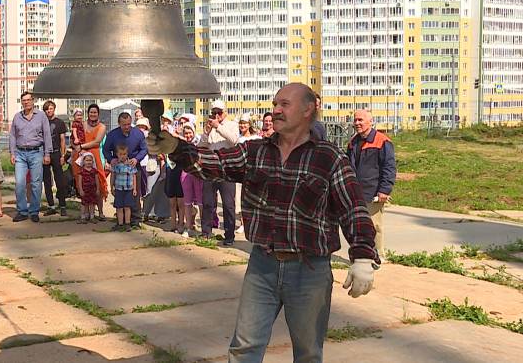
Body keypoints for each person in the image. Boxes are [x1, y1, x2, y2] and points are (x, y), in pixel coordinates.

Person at [148, 83, 379, 362]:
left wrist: (363, 256)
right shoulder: (256, 151)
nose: (276, 110)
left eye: (284, 104)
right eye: (275, 104)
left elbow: (353, 208)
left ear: (308, 109)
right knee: (244, 347)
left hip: (309, 271)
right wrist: (176, 147)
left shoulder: (329, 157)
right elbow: (213, 162)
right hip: (263, 266)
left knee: (308, 353)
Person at [348, 109, 396, 257]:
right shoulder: (353, 142)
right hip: (355, 193)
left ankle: (378, 256)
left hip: (373, 192)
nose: (357, 123)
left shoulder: (382, 141)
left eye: (360, 120)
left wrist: (384, 190)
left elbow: (389, 167)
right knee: (357, 226)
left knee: (374, 226)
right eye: (355, 120)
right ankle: (362, 255)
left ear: (370, 121)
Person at [198, 100, 239, 245]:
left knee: (228, 205)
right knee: (208, 202)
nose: (216, 115)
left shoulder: (232, 125)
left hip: (227, 170)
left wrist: (219, 127)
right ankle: (206, 232)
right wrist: (206, 132)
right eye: (213, 113)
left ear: (225, 113)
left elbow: (234, 140)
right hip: (211, 169)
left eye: (219, 112)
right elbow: (201, 146)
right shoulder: (209, 127)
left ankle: (229, 235)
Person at [9, 91, 52, 223]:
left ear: (33, 101)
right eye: (24, 100)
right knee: (20, 183)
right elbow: (12, 136)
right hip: (20, 153)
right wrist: (12, 152)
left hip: (36, 152)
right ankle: (22, 211)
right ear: (21, 102)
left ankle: (34, 211)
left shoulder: (41, 116)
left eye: (28, 100)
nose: (26, 102)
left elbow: (47, 134)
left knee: (36, 183)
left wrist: (47, 153)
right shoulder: (17, 117)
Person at [102, 112, 147, 227]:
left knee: (135, 195)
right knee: (120, 195)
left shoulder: (138, 134)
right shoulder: (113, 135)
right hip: (118, 169)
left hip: (133, 166)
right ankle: (121, 220)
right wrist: (111, 159)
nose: (127, 127)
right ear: (119, 124)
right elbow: (105, 150)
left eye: (128, 124)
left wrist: (137, 159)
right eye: (124, 125)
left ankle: (135, 220)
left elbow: (144, 149)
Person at [73, 104, 108, 220]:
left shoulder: (102, 127)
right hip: (81, 156)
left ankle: (101, 212)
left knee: (99, 182)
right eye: (91, 112)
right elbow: (74, 138)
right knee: (83, 182)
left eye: (95, 112)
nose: (93, 114)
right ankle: (87, 213)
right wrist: (77, 147)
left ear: (98, 114)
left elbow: (97, 142)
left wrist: (81, 146)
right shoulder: (82, 124)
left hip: (95, 155)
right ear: (87, 113)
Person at [42, 101, 68, 217]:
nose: (49, 111)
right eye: (47, 109)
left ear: (54, 109)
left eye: (51, 108)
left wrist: (63, 155)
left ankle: (62, 205)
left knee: (60, 181)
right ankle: (51, 206)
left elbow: (63, 140)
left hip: (57, 153)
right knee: (47, 181)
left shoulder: (60, 123)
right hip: (45, 154)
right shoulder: (42, 123)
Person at [179, 124, 202, 238]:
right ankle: (188, 227)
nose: (188, 135)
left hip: (198, 174)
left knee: (200, 202)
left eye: (190, 133)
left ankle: (203, 228)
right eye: (186, 133)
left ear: (194, 132)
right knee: (187, 202)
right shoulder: (181, 145)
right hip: (186, 173)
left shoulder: (199, 142)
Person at [110, 144, 138, 232]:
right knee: (119, 207)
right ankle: (120, 223)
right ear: (117, 154)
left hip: (128, 189)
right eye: (121, 154)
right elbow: (113, 175)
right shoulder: (116, 165)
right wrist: (111, 187)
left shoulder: (130, 165)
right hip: (119, 188)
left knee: (127, 207)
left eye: (125, 154)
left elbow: (134, 176)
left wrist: (134, 188)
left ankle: (127, 224)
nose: (123, 156)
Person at [76, 152, 100, 224]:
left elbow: (97, 180)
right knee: (84, 203)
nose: (88, 162)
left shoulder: (94, 171)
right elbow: (79, 181)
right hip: (85, 190)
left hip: (92, 190)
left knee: (92, 203)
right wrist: (80, 190)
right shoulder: (82, 171)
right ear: (83, 161)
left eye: (90, 160)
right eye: (87, 160)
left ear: (93, 162)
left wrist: (98, 189)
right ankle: (83, 216)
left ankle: (92, 216)